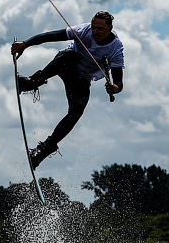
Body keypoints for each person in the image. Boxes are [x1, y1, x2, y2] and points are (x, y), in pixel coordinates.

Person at [11, 10, 124, 168]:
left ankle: (43, 150)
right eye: (93, 27)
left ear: (110, 28)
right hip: (66, 65)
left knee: (77, 110)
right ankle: (31, 83)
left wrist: (114, 88)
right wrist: (26, 44)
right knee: (68, 55)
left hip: (81, 80)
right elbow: (51, 36)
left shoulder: (116, 48)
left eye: (100, 29)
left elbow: (119, 82)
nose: (95, 31)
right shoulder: (83, 31)